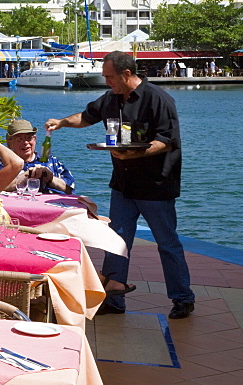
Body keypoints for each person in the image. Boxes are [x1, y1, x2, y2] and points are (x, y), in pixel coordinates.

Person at [46, 51, 196, 319]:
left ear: (127, 74)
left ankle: (182, 298)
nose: (107, 82)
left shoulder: (158, 99)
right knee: (116, 241)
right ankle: (114, 299)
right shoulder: (111, 98)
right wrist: (62, 123)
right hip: (124, 185)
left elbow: (167, 140)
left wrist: (137, 153)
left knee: (167, 242)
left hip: (155, 186)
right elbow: (87, 116)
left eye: (110, 77)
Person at [0, 118, 76, 194]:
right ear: (10, 143)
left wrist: (50, 178)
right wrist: (28, 175)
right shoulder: (3, 164)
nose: (25, 142)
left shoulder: (51, 161)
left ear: (34, 139)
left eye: (29, 138)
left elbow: (69, 189)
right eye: (19, 139)